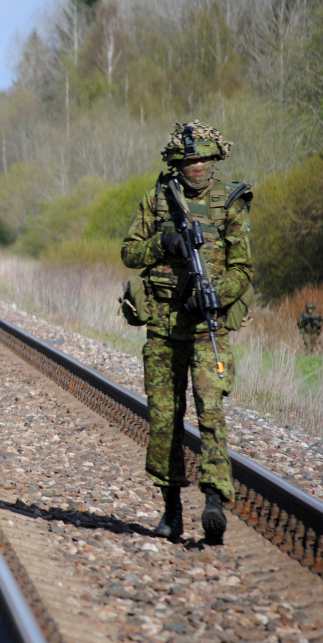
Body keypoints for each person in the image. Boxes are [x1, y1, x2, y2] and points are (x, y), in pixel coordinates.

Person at [122, 121, 253, 545]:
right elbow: (129, 251)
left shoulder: (230, 202)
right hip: (163, 327)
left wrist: (217, 295)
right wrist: (164, 242)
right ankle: (171, 509)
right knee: (164, 419)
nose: (197, 168)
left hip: (207, 327)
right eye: (190, 161)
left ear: (215, 161)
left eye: (204, 160)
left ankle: (214, 498)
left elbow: (242, 269)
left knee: (211, 415)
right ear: (178, 164)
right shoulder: (157, 199)